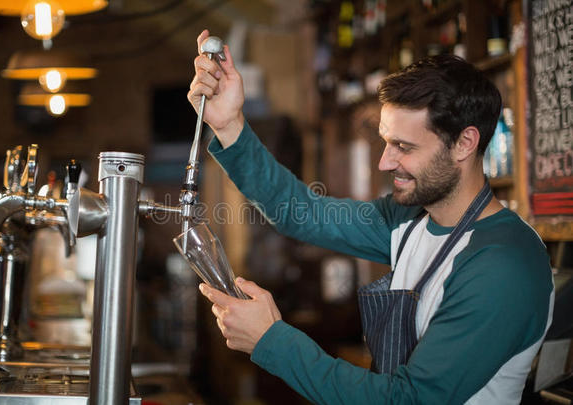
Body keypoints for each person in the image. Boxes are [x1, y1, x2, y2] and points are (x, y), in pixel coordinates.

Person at [187, 29, 554, 404]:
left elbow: (408, 400)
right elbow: (300, 212)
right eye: (386, 142)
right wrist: (229, 125)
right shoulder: (409, 220)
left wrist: (272, 340)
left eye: (404, 147)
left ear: (464, 143)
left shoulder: (503, 264)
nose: (385, 161)